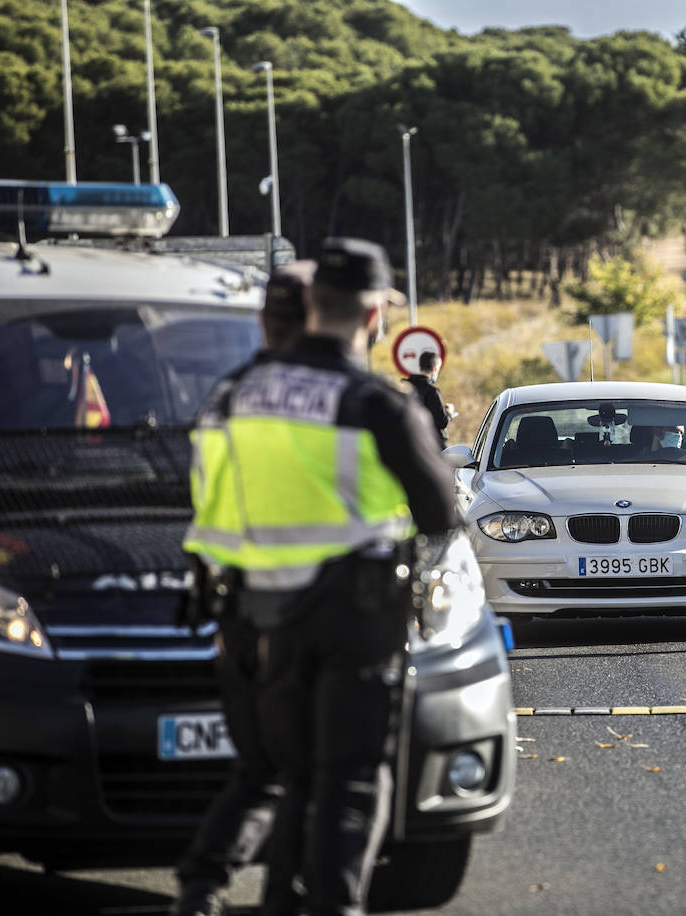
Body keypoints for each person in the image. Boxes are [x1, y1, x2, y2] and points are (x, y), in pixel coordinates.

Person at [183, 237, 460, 916]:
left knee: (295, 777)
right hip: (354, 617)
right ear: (373, 316)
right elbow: (440, 511)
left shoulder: (238, 392)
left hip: (262, 615)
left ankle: (274, 900)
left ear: (311, 306)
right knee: (352, 781)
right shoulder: (369, 402)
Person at [171, 261, 315, 916]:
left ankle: (203, 887)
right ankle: (291, 895)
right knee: (315, 771)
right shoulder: (330, 398)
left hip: (240, 615)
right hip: (313, 616)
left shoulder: (226, 397)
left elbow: (207, 510)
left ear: (263, 322)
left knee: (260, 769)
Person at [403, 348, 453, 448]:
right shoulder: (432, 391)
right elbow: (441, 422)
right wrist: (449, 413)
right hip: (431, 445)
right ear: (434, 368)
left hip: (408, 443)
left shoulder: (404, 386)